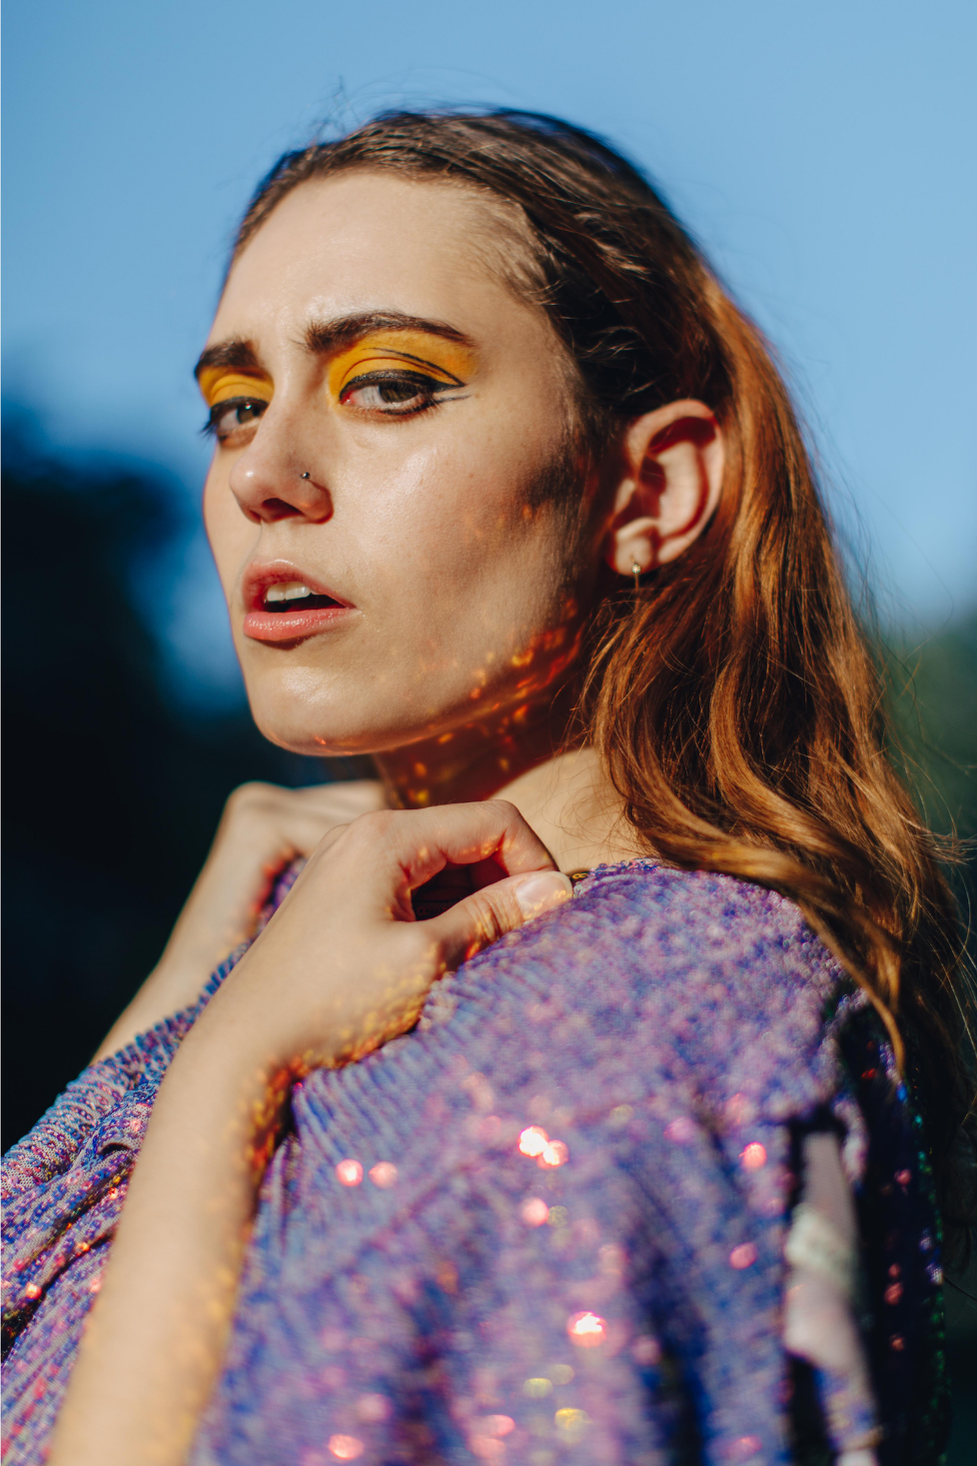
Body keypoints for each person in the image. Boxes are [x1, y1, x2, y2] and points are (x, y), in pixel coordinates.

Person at [2, 110, 972, 1466]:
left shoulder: (657, 1012)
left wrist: (230, 1070)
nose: (264, 476)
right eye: (234, 405)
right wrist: (187, 1004)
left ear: (652, 489)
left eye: (391, 384)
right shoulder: (270, 968)